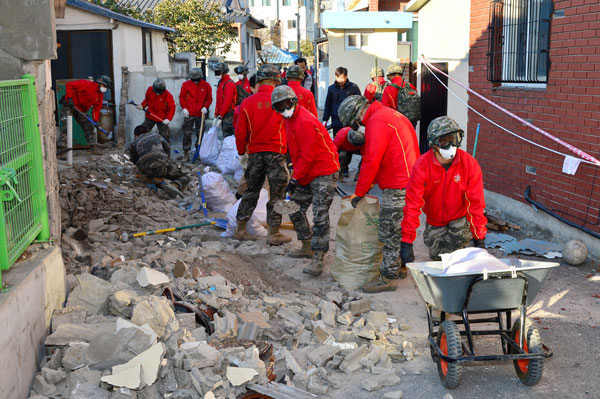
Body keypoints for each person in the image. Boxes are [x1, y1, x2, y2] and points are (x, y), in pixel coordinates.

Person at [338, 95, 419, 293]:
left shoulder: (377, 122)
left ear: (358, 113)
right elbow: (384, 154)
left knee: (389, 230)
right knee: (399, 225)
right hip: (409, 178)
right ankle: (399, 266)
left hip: (399, 182)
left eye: (355, 122)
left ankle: (387, 277)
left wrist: (359, 192)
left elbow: (371, 160)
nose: (358, 125)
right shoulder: (388, 114)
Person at [271, 85, 340, 276]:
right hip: (306, 170)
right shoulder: (289, 120)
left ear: (293, 101)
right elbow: (295, 148)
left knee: (320, 215)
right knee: (293, 207)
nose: (283, 109)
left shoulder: (306, 121)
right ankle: (307, 244)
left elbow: (309, 155)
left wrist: (295, 180)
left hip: (324, 171)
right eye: (278, 106)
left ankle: (318, 257)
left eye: (285, 104)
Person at [400, 116, 487, 264]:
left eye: (454, 139)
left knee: (455, 258)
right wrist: (406, 242)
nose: (451, 145)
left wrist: (479, 239)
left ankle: (462, 249)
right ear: (434, 145)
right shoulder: (422, 166)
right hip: (435, 220)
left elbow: (476, 203)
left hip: (459, 218)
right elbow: (413, 205)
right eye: (444, 141)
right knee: (437, 258)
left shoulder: (469, 164)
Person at [234, 64, 290, 246]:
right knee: (277, 194)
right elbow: (291, 129)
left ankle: (240, 229)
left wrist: (241, 152)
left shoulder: (247, 103)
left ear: (258, 81)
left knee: (251, 191)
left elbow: (241, 133)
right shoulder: (283, 103)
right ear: (276, 81)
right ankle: (273, 233)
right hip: (277, 153)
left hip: (255, 154)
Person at [60, 75, 113, 152]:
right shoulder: (86, 84)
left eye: (106, 87)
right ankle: (62, 148)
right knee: (66, 126)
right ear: (100, 83)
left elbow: (96, 108)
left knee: (89, 126)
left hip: (81, 109)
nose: (105, 88)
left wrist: (96, 120)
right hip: (69, 105)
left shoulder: (100, 95)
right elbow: (69, 85)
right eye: (104, 86)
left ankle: (93, 147)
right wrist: (70, 99)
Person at [178, 68, 212, 162]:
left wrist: (206, 107)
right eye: (194, 80)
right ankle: (186, 153)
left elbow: (209, 98)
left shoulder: (206, 85)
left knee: (200, 134)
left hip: (201, 114)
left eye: (197, 80)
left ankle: (199, 152)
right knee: (187, 134)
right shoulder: (186, 85)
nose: (195, 82)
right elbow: (182, 97)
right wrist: (184, 108)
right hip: (189, 113)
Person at [323, 67, 361, 136]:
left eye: (342, 77)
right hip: (336, 121)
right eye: (338, 77)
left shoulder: (354, 87)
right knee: (338, 141)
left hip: (350, 122)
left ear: (346, 76)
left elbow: (360, 103)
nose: (340, 80)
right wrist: (325, 119)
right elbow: (328, 104)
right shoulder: (331, 89)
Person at [138, 78, 175, 143]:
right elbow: (147, 100)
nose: (157, 93)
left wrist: (168, 119)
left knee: (165, 137)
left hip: (162, 119)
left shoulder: (168, 96)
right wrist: (142, 105)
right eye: (156, 91)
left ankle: (166, 151)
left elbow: (172, 108)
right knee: (142, 132)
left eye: (159, 92)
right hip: (150, 116)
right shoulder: (149, 90)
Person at [214, 62, 237, 137]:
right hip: (223, 114)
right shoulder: (221, 83)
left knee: (228, 136)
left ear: (224, 72)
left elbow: (227, 102)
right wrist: (216, 115)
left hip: (228, 114)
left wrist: (220, 116)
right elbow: (218, 101)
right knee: (225, 135)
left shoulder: (229, 84)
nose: (216, 74)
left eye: (218, 72)